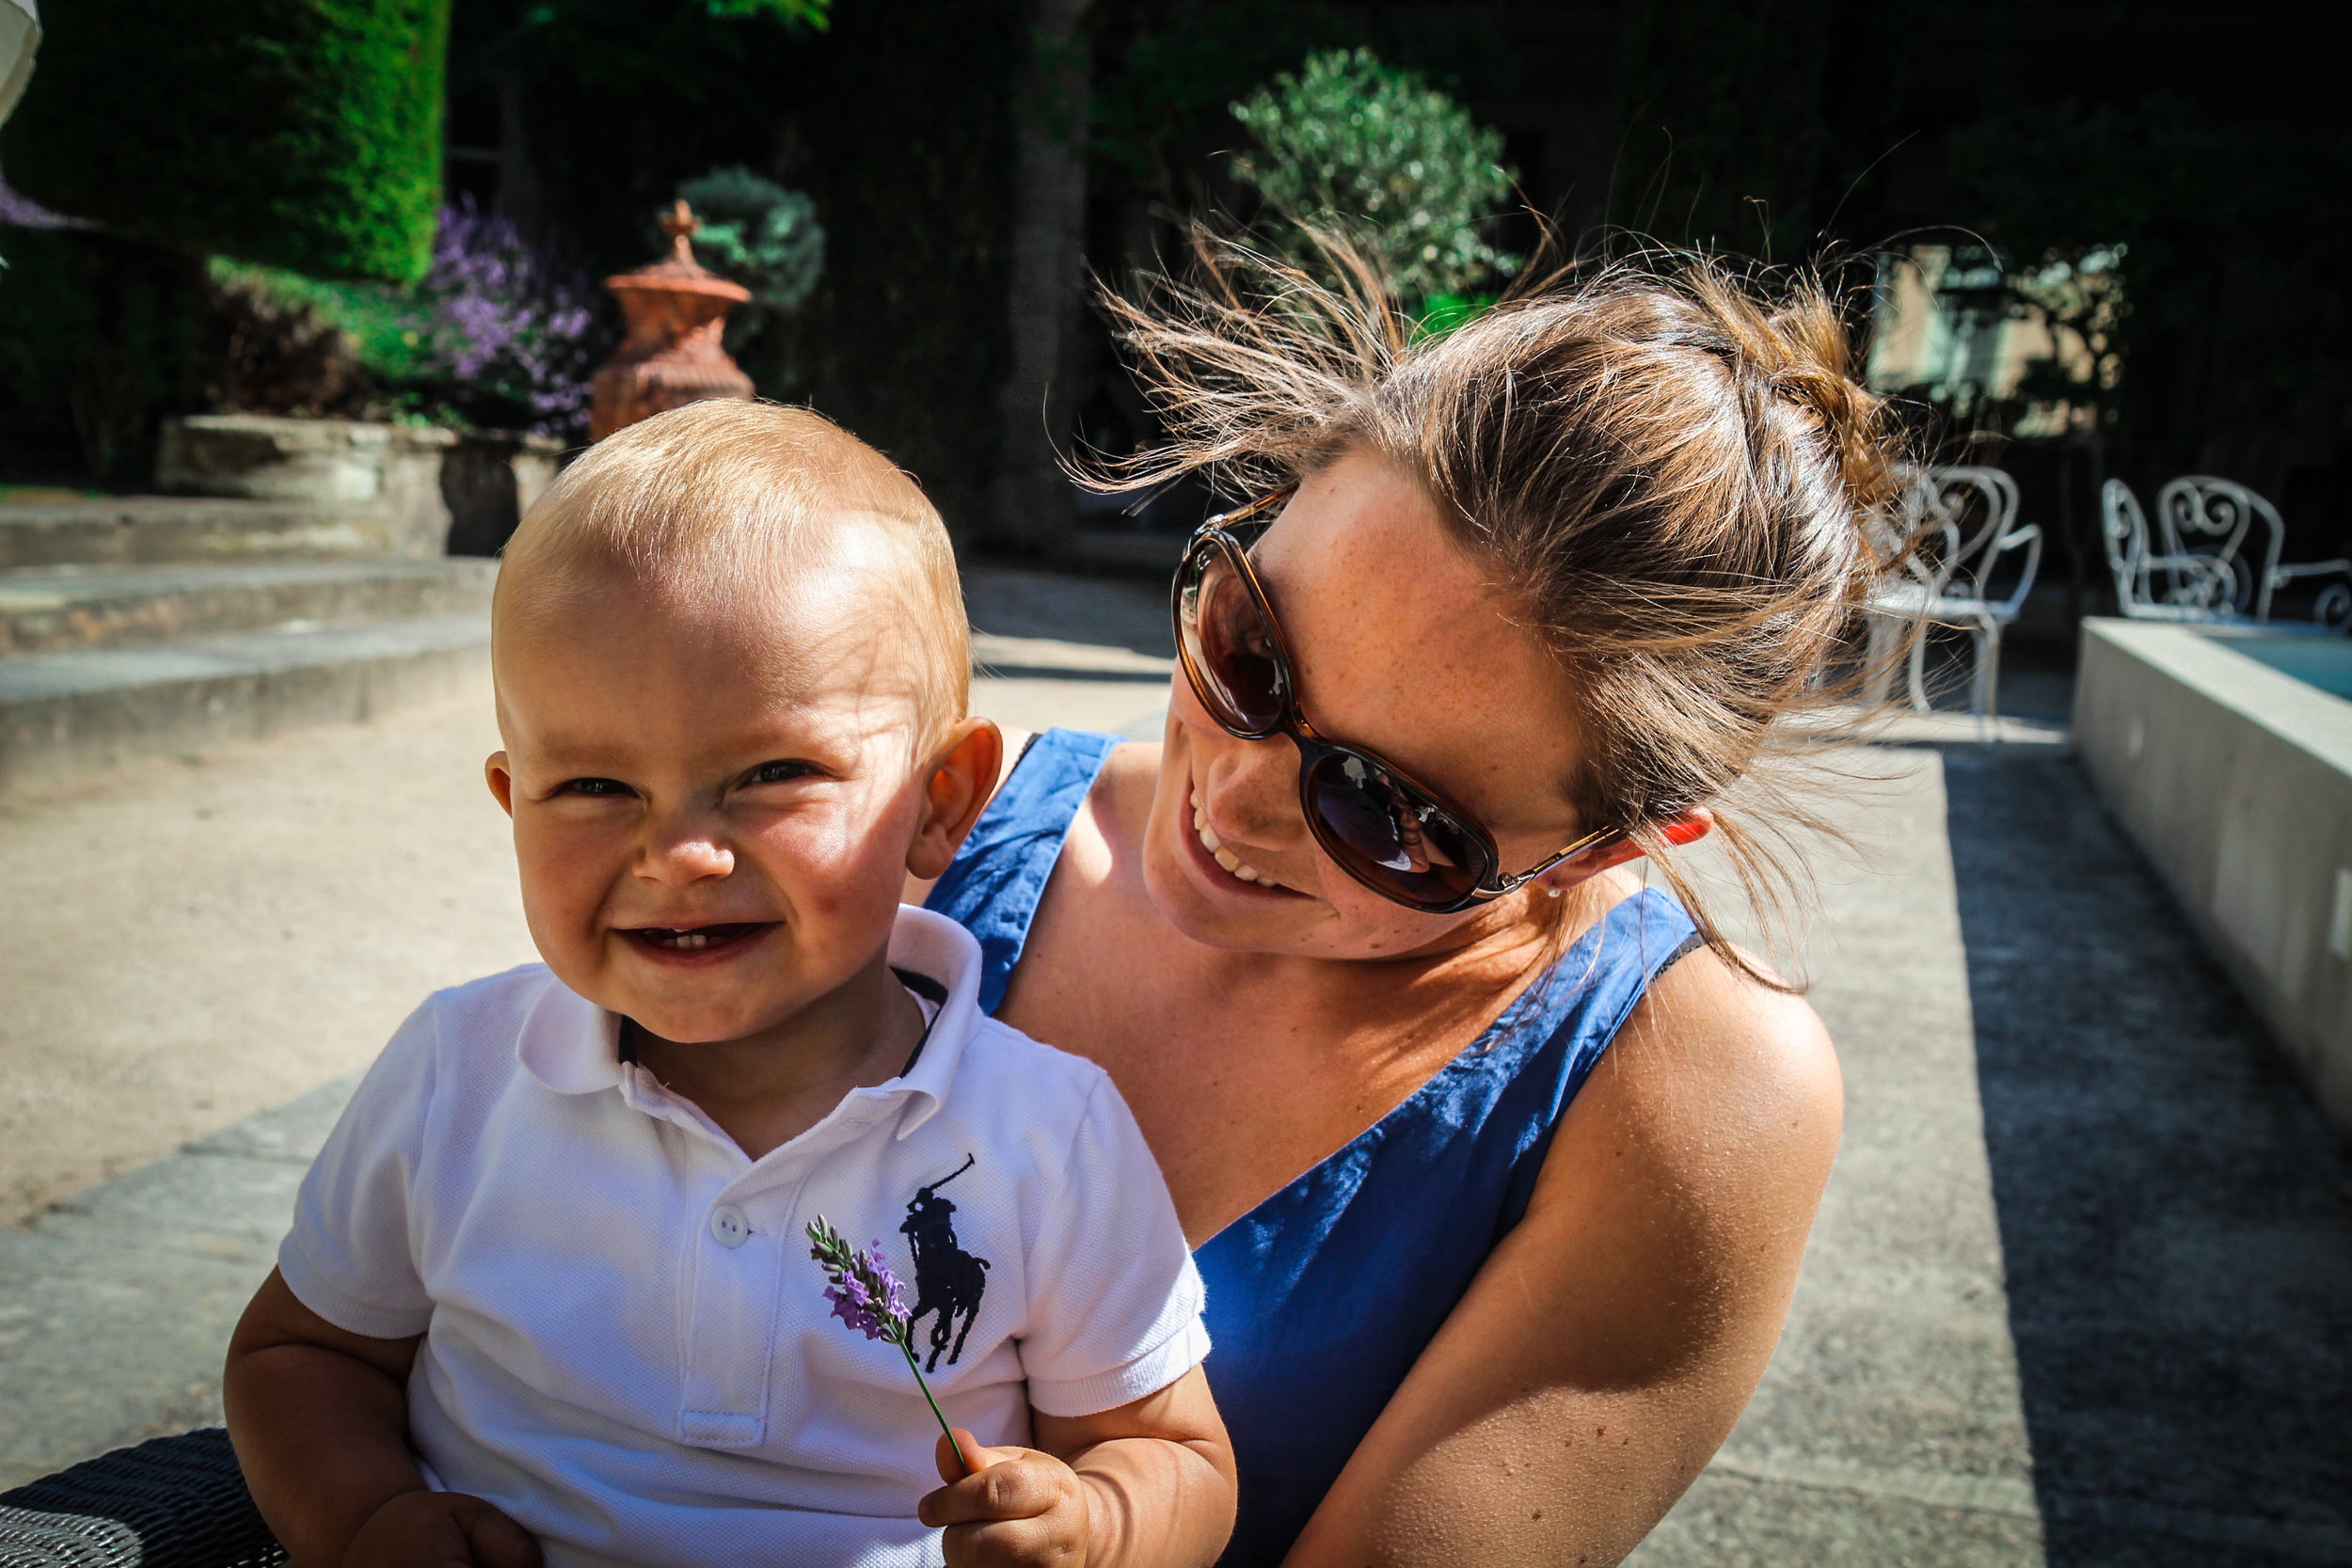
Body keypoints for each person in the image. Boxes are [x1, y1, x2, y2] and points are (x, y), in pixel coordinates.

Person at [918, 245, 1882, 1565]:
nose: (1237, 796)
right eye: (1249, 650)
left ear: (1622, 841)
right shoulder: (924, 835)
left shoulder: (1686, 1089)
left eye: (1392, 810)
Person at [222, 401, 1237, 1568]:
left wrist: (1097, 1522)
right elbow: (303, 1356)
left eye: (769, 772)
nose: (677, 855)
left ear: (942, 800)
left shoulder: (1045, 1133)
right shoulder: (457, 1073)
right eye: (596, 786)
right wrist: (361, 1515)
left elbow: (1176, 1455)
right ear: (513, 802)